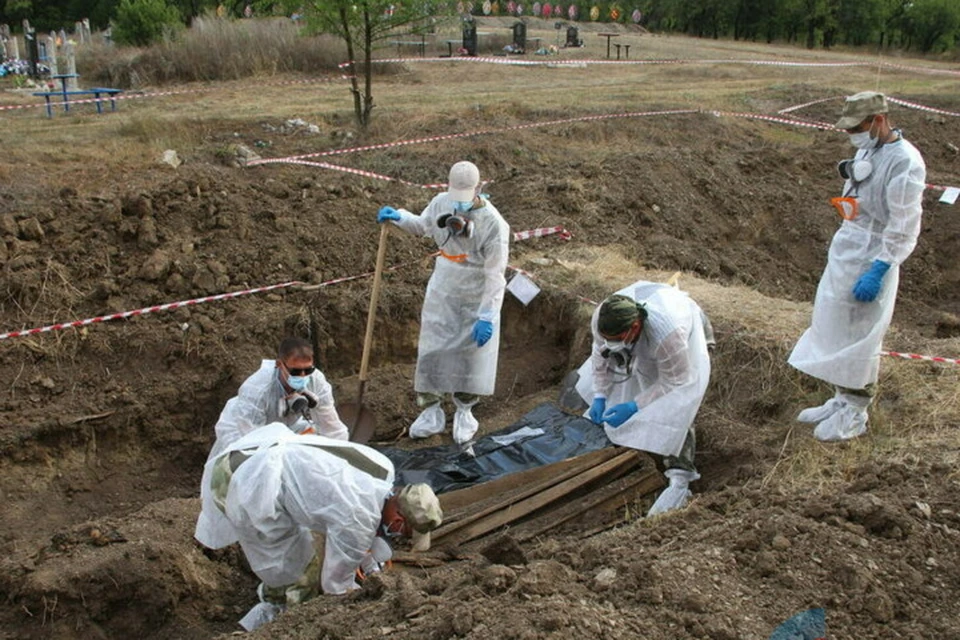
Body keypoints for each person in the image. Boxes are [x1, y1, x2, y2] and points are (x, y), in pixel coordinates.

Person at [199, 423, 443, 631]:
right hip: (246, 483)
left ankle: (272, 613)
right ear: (399, 521)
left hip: (251, 452)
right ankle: (278, 627)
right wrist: (366, 600)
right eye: (405, 533)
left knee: (299, 556)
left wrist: (366, 559)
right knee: (299, 576)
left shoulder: (382, 471)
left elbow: (354, 522)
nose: (400, 537)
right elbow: (335, 586)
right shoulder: (358, 519)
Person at [789, 91, 926, 442]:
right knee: (834, 323)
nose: (853, 135)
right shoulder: (868, 148)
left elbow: (904, 223)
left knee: (861, 333)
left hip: (874, 252)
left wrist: (881, 267)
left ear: (878, 120)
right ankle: (841, 396)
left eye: (858, 127)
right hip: (849, 244)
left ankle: (856, 410)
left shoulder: (905, 162)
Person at [377, 161, 510, 444]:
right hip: (444, 287)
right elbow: (423, 225)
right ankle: (431, 410)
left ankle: (464, 410)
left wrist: (487, 316)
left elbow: (496, 275)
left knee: (469, 355)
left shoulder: (494, 224)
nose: (458, 205)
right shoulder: (441, 202)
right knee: (432, 348)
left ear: (479, 188)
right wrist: (399, 217)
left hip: (476, 292)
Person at [194, 336, 349, 548]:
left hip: (286, 427)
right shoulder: (256, 389)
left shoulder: (317, 381)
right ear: (279, 364)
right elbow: (252, 445)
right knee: (246, 484)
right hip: (244, 432)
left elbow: (333, 427)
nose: (302, 376)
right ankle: (239, 538)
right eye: (295, 371)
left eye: (307, 370)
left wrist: (343, 461)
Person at [575, 281, 712, 516]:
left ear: (635, 326)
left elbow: (675, 382)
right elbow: (600, 358)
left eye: (616, 338)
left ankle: (680, 475)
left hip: (686, 344)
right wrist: (599, 395)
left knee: (676, 407)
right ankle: (638, 442)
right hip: (648, 343)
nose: (610, 342)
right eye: (607, 337)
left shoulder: (668, 336)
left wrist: (633, 406)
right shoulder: (602, 318)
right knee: (633, 379)